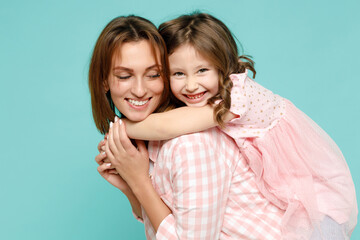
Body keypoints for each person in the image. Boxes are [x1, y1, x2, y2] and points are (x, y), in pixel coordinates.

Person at [120, 13, 358, 239]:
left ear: (222, 66)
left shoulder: (237, 95)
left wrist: (121, 129)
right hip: (284, 192)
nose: (191, 85)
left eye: (202, 70)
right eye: (178, 73)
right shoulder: (204, 112)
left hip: (317, 196)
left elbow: (166, 126)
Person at [90, 15, 287, 239]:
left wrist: (138, 180)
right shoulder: (160, 140)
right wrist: (130, 186)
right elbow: (167, 220)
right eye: (125, 76)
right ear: (103, 81)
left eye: (153, 74)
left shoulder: (191, 144)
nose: (140, 90)